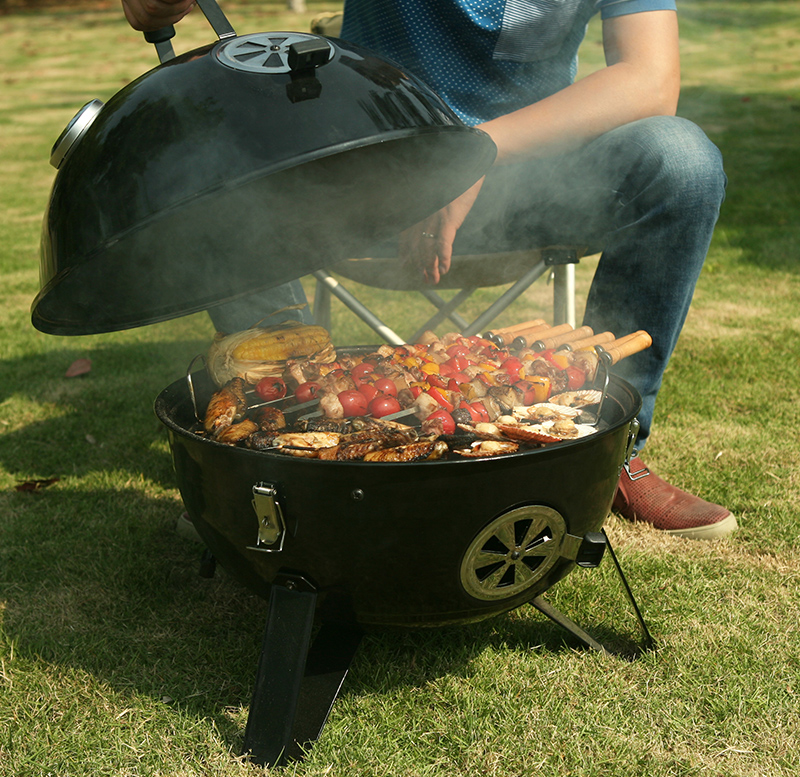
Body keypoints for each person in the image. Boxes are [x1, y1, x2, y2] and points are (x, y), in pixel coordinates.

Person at [120, 0, 736, 541]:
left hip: (532, 177)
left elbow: (650, 79)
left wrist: (475, 155)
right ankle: (273, 464)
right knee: (224, 166)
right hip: (371, 175)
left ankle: (606, 452)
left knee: (680, 160)